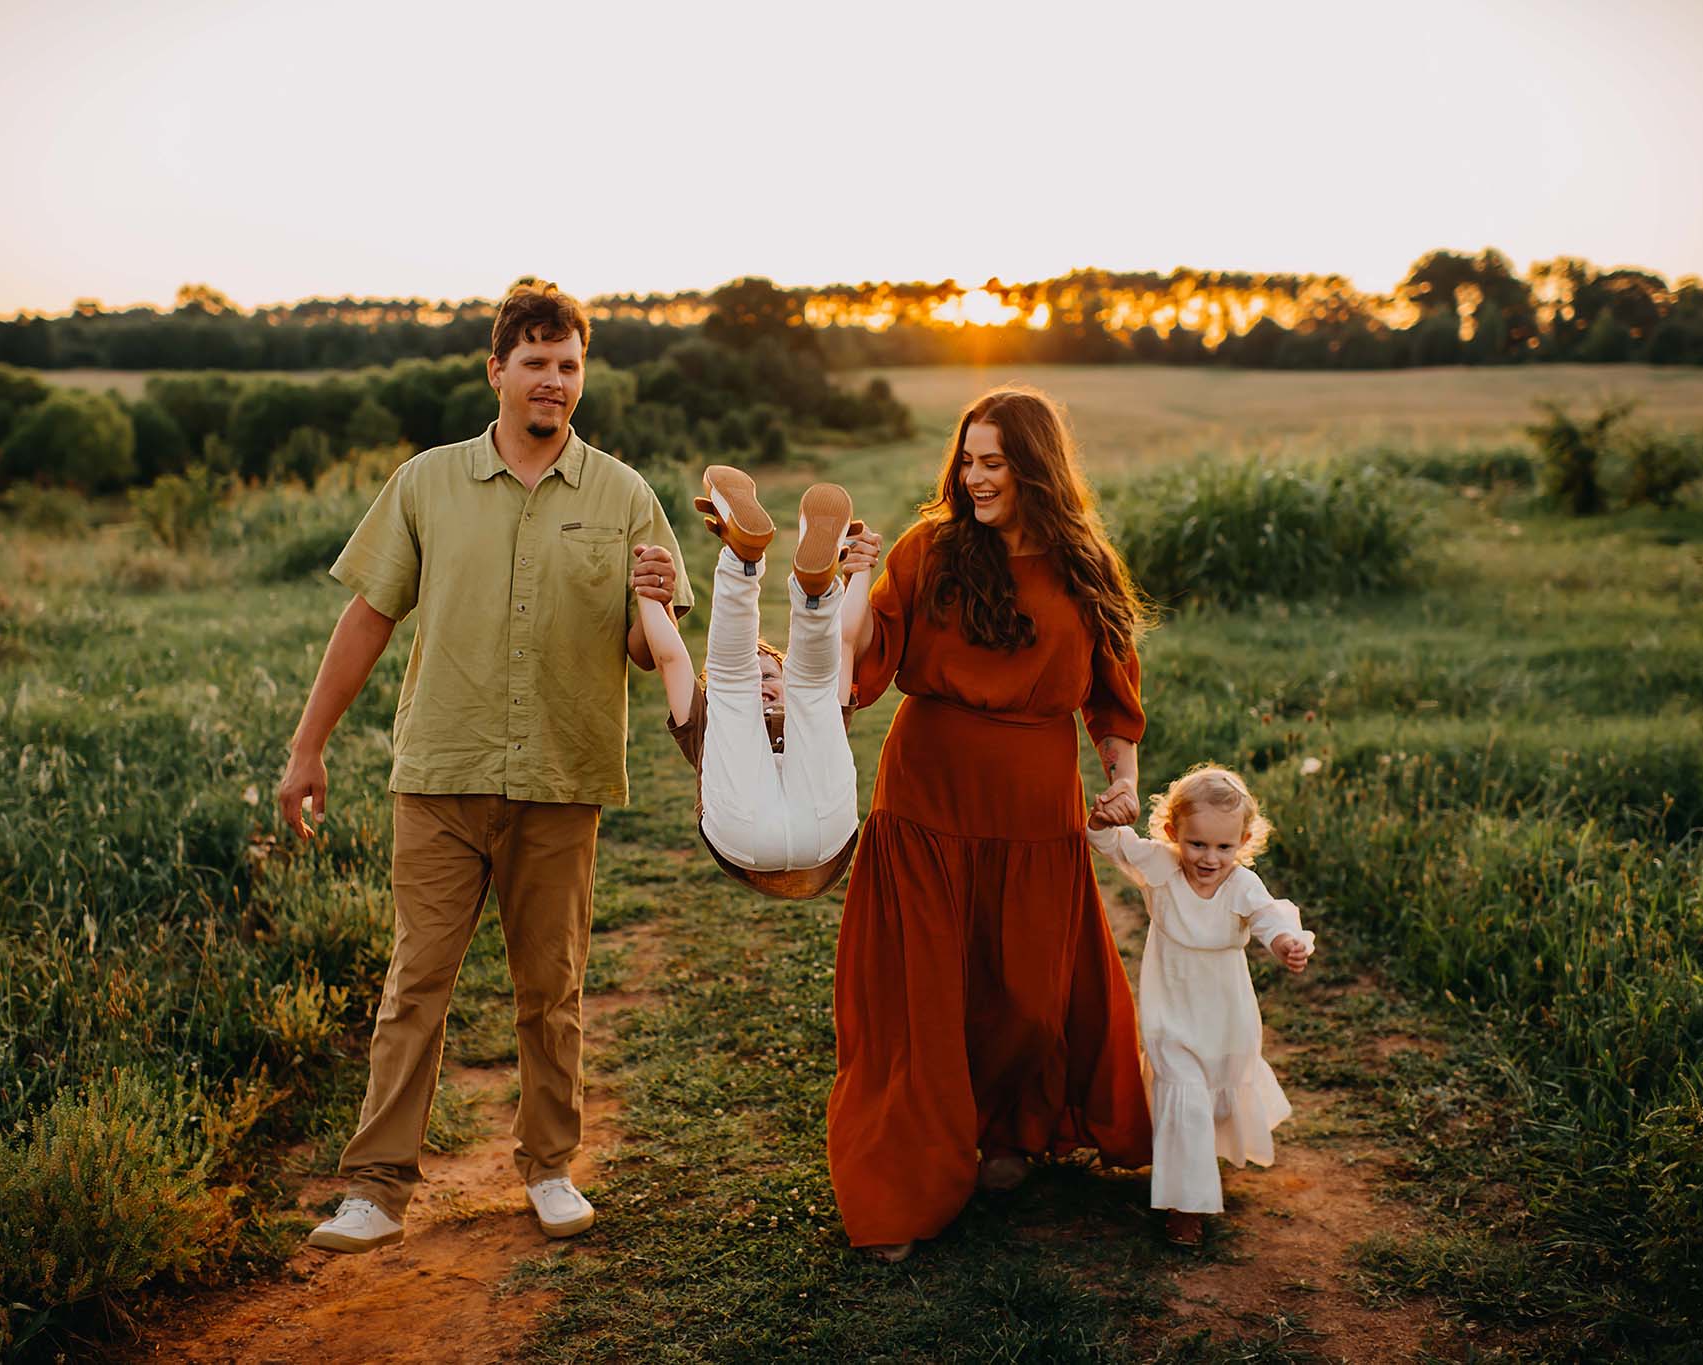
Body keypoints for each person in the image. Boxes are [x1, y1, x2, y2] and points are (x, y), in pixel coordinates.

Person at [276, 279, 693, 1254]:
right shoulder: (425, 483)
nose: (554, 381)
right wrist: (307, 747)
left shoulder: (626, 496)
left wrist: (658, 600)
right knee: (413, 985)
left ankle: (548, 1168)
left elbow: (649, 648)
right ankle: (375, 1189)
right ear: (496, 369)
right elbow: (368, 616)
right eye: (536, 362)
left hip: (561, 777)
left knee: (551, 990)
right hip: (441, 774)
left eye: (569, 365)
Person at [826, 384, 1155, 1263]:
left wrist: (1121, 784)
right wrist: (847, 582)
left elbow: (1115, 703)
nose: (974, 478)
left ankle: (1009, 1129)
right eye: (967, 460)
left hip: (1034, 806)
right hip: (927, 799)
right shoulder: (929, 549)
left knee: (1024, 997)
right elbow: (863, 660)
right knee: (919, 997)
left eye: (994, 463)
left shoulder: (1084, 565)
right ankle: (901, 1181)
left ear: (1036, 467)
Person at [1087, 765, 1315, 1246]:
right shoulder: (1160, 866)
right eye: (1197, 844)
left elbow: (1269, 918)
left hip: (1225, 1015)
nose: (1209, 858)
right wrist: (1104, 817)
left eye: (1224, 847)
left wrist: (1286, 945)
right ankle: (1185, 1207)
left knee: (1215, 1093)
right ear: (1174, 833)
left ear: (1243, 841)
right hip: (1171, 1009)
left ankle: (1196, 1164)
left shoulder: (1242, 885)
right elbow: (1108, 843)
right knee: (1183, 1092)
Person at [635, 466, 883, 898]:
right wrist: (857, 575)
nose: (759, 682)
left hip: (747, 834)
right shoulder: (710, 716)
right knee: (812, 687)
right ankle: (816, 594)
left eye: (765, 673)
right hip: (823, 830)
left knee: (738, 688)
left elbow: (672, 657)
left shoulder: (707, 720)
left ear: (778, 680)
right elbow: (841, 645)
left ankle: (743, 558)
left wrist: (647, 598)